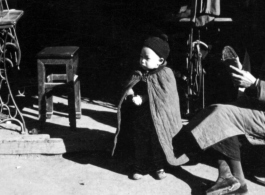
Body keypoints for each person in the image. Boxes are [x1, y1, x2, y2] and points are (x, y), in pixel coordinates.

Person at [173, 45, 265, 195]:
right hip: (259, 106)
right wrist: (243, 77)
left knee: (222, 115)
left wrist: (255, 84)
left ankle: (236, 180)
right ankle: (227, 177)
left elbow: (258, 87)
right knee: (216, 109)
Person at [112, 34, 187, 180]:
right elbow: (131, 85)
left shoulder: (166, 74)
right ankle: (139, 168)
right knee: (139, 142)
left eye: (147, 58)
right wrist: (130, 91)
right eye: (141, 56)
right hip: (141, 118)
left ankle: (159, 167)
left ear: (160, 60)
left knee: (157, 142)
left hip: (158, 120)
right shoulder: (140, 73)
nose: (142, 60)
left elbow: (165, 97)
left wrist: (144, 98)